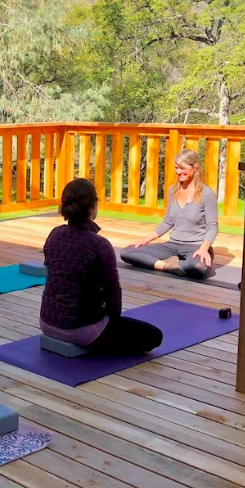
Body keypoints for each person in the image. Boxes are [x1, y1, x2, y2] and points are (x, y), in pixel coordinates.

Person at [41, 179, 163, 356]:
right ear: (92, 207)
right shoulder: (99, 245)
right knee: (153, 336)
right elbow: (114, 295)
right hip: (81, 331)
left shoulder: (54, 234)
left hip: (47, 323)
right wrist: (111, 322)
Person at [120, 149, 218, 279]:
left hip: (196, 246)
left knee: (198, 268)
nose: (178, 172)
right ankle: (168, 266)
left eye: (182, 168)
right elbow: (168, 221)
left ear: (195, 167)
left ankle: (178, 264)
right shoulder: (172, 190)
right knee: (127, 252)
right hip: (172, 244)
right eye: (176, 168)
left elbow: (213, 227)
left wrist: (204, 248)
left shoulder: (207, 194)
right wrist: (144, 240)